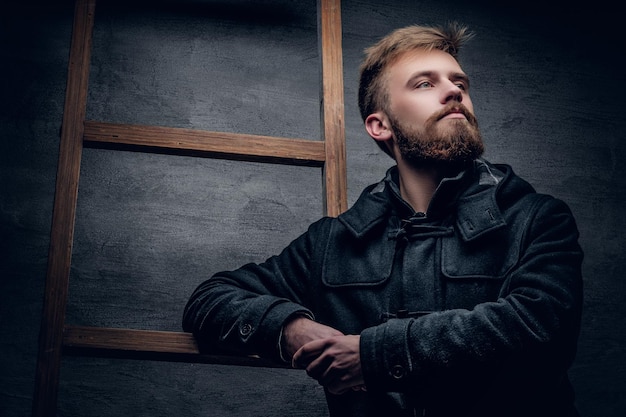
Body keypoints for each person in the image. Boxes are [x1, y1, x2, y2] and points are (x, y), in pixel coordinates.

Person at [183, 23, 583, 417]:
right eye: (425, 83)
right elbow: (210, 300)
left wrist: (373, 356)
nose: (453, 91)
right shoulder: (332, 244)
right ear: (380, 125)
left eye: (459, 82)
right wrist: (292, 330)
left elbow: (541, 327)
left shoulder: (537, 218)